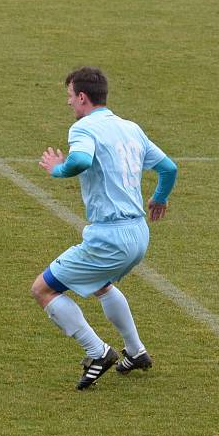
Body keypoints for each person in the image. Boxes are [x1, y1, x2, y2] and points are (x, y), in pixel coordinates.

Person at [33, 66, 178, 390]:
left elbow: (81, 161)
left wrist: (58, 170)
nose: (69, 104)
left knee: (43, 290)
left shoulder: (84, 128)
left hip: (109, 236)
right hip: (139, 233)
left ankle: (98, 352)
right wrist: (159, 198)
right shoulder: (130, 128)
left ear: (82, 97)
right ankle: (136, 351)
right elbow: (169, 168)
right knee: (101, 284)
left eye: (70, 97)